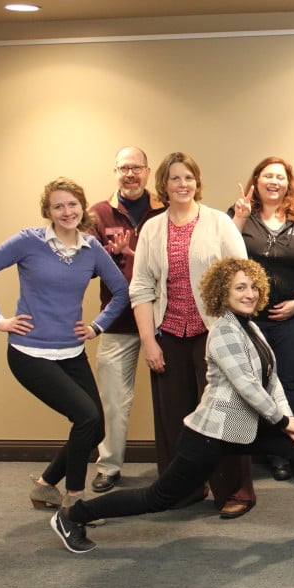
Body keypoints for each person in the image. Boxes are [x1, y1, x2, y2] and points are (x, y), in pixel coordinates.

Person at [50, 258, 294, 554]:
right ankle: (74, 515)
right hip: (210, 432)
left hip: (244, 427)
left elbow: (271, 380)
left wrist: (289, 420)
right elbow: (247, 385)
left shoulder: (250, 327)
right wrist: (283, 422)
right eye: (240, 288)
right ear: (222, 292)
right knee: (159, 497)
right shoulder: (223, 331)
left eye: (253, 287)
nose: (249, 293)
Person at [0, 178, 128, 510]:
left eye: (72, 204)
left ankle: (46, 485)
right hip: (30, 353)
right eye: (58, 206)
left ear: (82, 207)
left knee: (95, 427)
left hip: (71, 352)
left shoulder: (91, 247)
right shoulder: (28, 242)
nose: (66, 211)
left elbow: (121, 291)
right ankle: (74, 501)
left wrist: (97, 326)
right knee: (86, 417)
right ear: (47, 211)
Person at [130, 151, 256, 519]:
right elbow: (140, 287)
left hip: (213, 333)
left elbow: (242, 278)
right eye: (174, 178)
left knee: (223, 414)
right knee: (174, 418)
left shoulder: (219, 223)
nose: (182, 184)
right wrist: (149, 341)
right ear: (164, 185)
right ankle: (180, 488)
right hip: (168, 333)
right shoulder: (152, 228)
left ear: (197, 183)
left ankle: (235, 490)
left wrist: (237, 336)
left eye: (188, 178)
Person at [88, 147, 168, 493]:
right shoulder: (98, 214)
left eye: (136, 168)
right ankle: (109, 467)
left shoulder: (165, 210)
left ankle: (175, 467)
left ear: (148, 171)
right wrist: (111, 255)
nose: (130, 174)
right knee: (113, 402)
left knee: (173, 400)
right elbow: (84, 267)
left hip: (163, 322)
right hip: (117, 323)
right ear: (115, 171)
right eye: (124, 168)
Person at [230, 156, 294, 482]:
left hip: (292, 319)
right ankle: (244, 452)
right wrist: (238, 217)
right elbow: (226, 257)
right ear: (257, 180)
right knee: (247, 385)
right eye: (268, 176)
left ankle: (282, 451)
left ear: (288, 183)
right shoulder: (240, 214)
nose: (274, 182)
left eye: (280, 177)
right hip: (249, 319)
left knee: (288, 385)